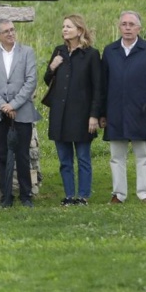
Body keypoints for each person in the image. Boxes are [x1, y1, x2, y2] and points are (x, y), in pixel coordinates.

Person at [100, 10, 146, 204]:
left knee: (143, 155)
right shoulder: (110, 51)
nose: (127, 28)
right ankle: (118, 194)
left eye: (131, 24)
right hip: (115, 112)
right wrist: (101, 113)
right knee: (116, 156)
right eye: (124, 24)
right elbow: (104, 84)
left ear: (139, 28)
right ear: (119, 27)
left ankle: (145, 193)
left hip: (141, 112)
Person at [42, 15, 102, 205]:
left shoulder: (91, 54)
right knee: (65, 160)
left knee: (83, 158)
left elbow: (98, 88)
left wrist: (94, 115)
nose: (64, 29)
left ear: (80, 30)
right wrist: (52, 67)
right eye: (63, 26)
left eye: (69, 26)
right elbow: (47, 80)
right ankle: (69, 196)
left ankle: (82, 196)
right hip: (60, 114)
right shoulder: (59, 51)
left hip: (83, 115)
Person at [0, 19, 39, 208]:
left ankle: (26, 195)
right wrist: (2, 105)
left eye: (12, 30)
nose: (10, 34)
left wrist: (13, 105)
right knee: (3, 154)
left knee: (22, 154)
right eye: (6, 31)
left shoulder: (27, 52)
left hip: (21, 112)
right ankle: (6, 196)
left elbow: (31, 81)